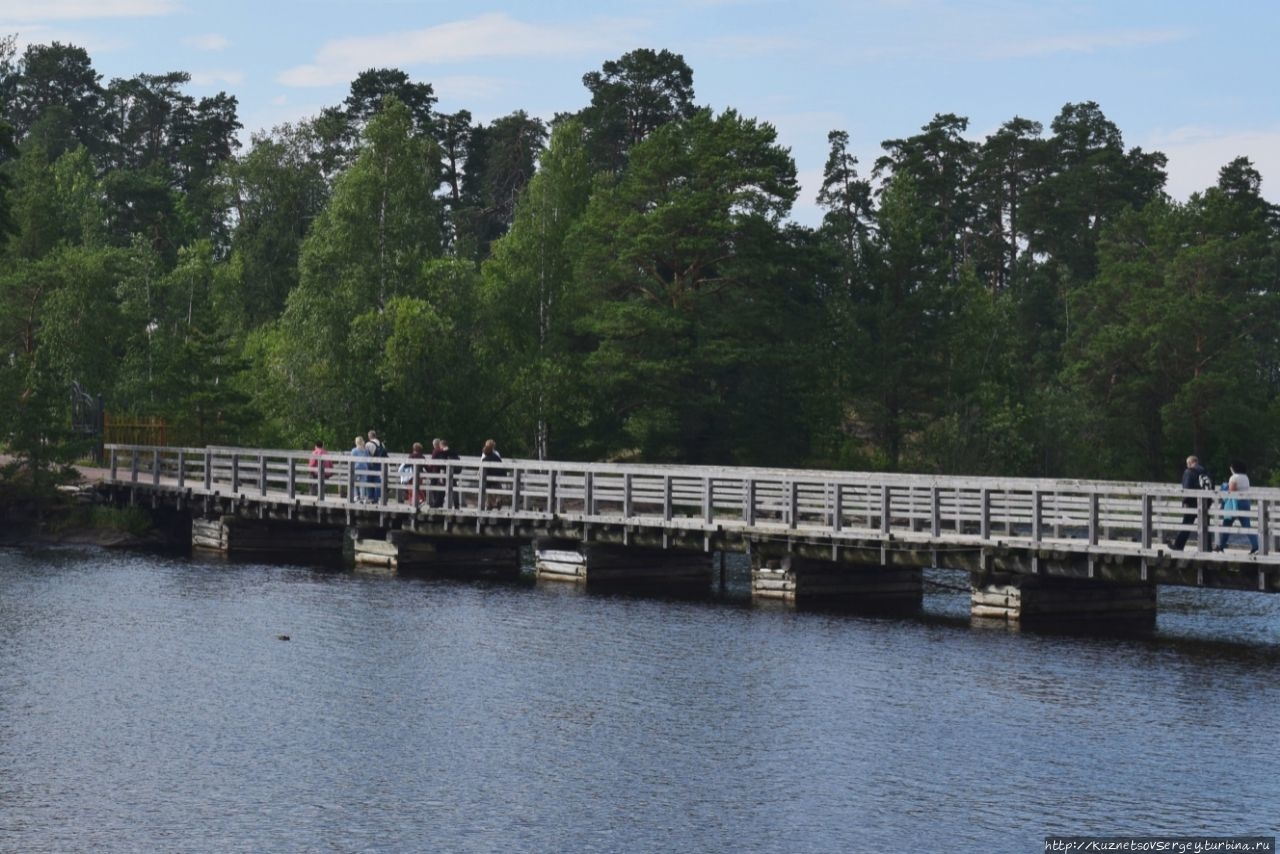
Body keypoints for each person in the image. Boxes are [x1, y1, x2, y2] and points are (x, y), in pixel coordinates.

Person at [1215, 460, 1259, 554]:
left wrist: (1224, 487)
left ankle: (1221, 546)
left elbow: (1232, 490)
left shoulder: (1234, 477)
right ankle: (1256, 546)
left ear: (1234, 468)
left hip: (1234, 503)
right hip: (1245, 503)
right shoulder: (1246, 477)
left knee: (1226, 524)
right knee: (1247, 526)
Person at [1171, 455, 1213, 551]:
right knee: (1205, 526)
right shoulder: (1206, 471)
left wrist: (1185, 501)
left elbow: (1187, 488)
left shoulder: (1189, 472)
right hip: (1206, 502)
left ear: (1190, 463)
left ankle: (1178, 546)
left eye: (1187, 464)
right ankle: (1208, 548)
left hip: (1192, 502)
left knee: (1186, 524)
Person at [402, 441, 427, 507]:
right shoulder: (422, 457)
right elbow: (426, 466)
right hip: (420, 475)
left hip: (412, 475)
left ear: (414, 448)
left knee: (411, 488)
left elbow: (406, 465)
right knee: (419, 488)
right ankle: (421, 500)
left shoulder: (411, 456)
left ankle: (412, 501)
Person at [480, 439, 504, 510]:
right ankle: (497, 501)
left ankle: (489, 504)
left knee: (487, 490)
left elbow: (482, 464)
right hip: (497, 476)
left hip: (488, 477)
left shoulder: (485, 456)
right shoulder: (497, 455)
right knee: (498, 489)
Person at [365, 430, 387, 503]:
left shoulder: (368, 444)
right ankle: (377, 498)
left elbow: (366, 456)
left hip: (372, 465)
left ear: (369, 436)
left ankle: (371, 497)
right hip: (380, 465)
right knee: (378, 481)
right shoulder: (382, 444)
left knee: (369, 480)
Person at [440, 438, 462, 508]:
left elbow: (442, 464)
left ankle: (441, 504)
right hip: (454, 473)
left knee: (443, 489)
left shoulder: (443, 452)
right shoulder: (453, 451)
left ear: (441, 445)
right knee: (454, 489)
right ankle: (456, 505)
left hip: (446, 473)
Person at [351, 435, 371, 502]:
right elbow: (368, 460)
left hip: (356, 468)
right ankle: (362, 497)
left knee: (352, 481)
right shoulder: (365, 450)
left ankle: (356, 496)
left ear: (356, 442)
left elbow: (352, 461)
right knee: (362, 483)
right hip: (364, 468)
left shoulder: (354, 450)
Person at [427, 438, 446, 508]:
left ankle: (436, 502)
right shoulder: (443, 451)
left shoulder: (436, 451)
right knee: (440, 487)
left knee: (433, 486)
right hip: (442, 471)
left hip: (435, 471)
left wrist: (428, 468)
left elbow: (433, 461)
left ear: (435, 445)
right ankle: (439, 502)